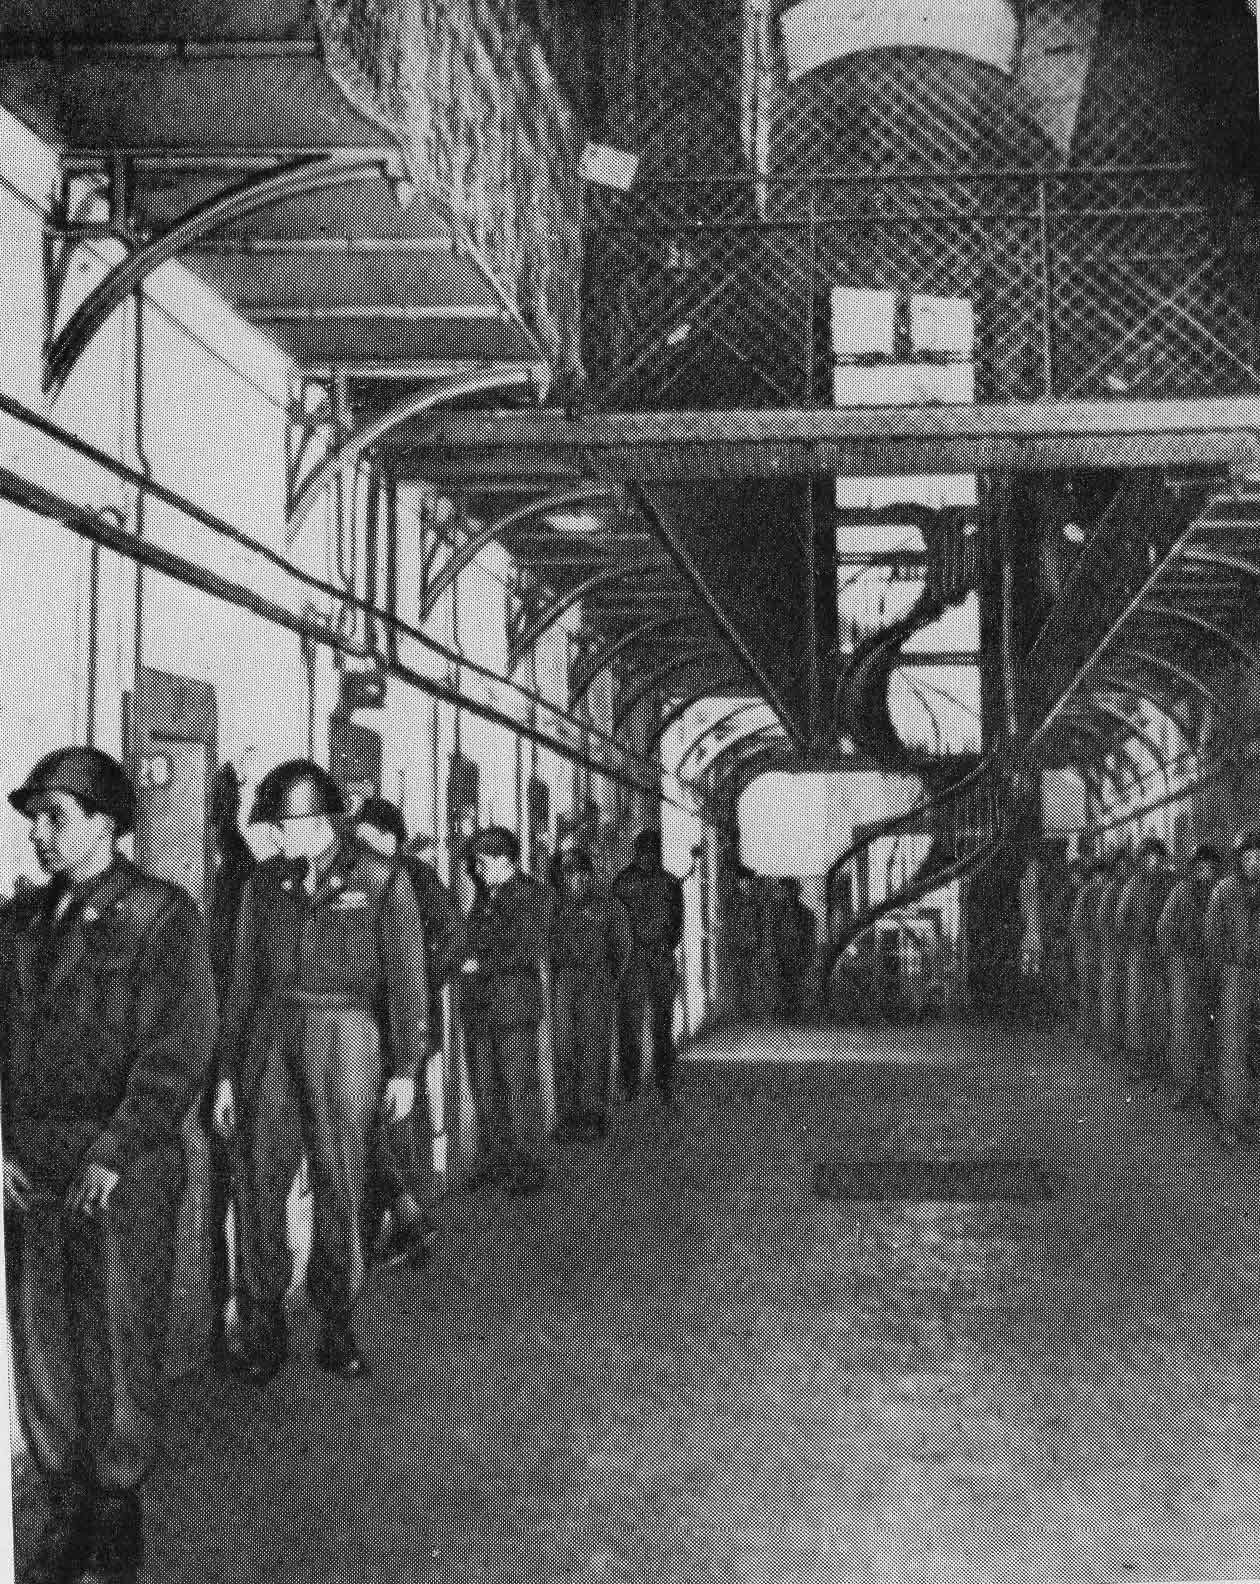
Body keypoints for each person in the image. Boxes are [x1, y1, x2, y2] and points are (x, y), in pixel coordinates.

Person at [1, 747, 216, 1584]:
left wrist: (116, 1150)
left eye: (55, 817)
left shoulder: (161, 915)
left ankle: (116, 1518)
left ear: (104, 823)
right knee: (43, 1344)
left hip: (123, 1165)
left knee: (118, 1344)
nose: (39, 835)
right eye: (34, 820)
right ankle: (66, 1512)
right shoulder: (21, 922)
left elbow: (178, 1047)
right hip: (33, 1165)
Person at [212, 760, 430, 1384]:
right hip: (268, 1041)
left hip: (346, 1035)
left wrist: (405, 1066)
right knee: (259, 1186)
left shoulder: (380, 878)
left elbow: (406, 975)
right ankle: (263, 1333)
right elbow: (243, 980)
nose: (283, 838)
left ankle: (337, 1327)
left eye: (292, 825)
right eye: (277, 827)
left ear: (324, 820)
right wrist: (228, 1073)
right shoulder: (262, 886)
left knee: (340, 1187)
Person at [354, 796, 459, 1267]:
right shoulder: (358, 877)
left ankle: (412, 1217)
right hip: (363, 1026)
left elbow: (451, 935)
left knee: (399, 1127)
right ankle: (391, 1222)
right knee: (373, 1129)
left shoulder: (414, 876)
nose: (359, 843)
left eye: (368, 835)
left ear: (388, 838)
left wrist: (422, 978)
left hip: (405, 1028)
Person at [460, 826, 555, 1193]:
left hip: (513, 1006)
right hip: (482, 1006)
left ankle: (530, 1165)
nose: (477, 871)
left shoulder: (532, 894)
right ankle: (496, 1159)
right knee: (486, 1088)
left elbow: (528, 947)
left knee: (519, 1088)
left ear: (504, 861)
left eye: (482, 863)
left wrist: (480, 963)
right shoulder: (486, 895)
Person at [551, 845, 633, 1139]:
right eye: (571, 874)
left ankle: (594, 1114)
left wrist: (609, 979)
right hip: (565, 981)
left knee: (594, 1049)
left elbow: (623, 946)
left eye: (583, 873)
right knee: (565, 1048)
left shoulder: (608, 906)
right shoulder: (555, 907)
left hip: (597, 981)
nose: (578, 879)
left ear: (590, 875)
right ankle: (569, 1115)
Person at [613, 829, 684, 1105]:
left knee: (660, 1022)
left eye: (652, 853)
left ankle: (659, 1081)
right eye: (645, 853)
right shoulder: (630, 882)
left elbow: (676, 926)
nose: (648, 858)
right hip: (637, 959)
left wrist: (663, 946)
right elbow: (616, 923)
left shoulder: (664, 883)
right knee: (632, 1023)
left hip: (655, 957)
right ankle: (633, 1083)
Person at [1158, 842, 1223, 1109]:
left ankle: (1206, 1085)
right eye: (1202, 866)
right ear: (1195, 867)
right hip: (1185, 965)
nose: (1206, 871)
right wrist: (1175, 963)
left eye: (1211, 867)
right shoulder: (1182, 891)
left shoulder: (1219, 892)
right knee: (1184, 1026)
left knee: (1210, 1026)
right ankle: (1183, 1086)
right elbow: (1164, 929)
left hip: (1211, 965)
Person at [1204, 830, 1260, 1142]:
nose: (1255, 862)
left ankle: (1249, 1110)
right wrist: (1220, 975)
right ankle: (1230, 1120)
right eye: (1249, 857)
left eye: (1259, 857)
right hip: (1233, 975)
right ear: (1240, 859)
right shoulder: (1225, 890)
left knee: (1252, 1047)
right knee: (1232, 1047)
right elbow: (1212, 936)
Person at [1115, 836, 1175, 1083]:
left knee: (1161, 1007)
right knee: (1137, 1007)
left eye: (1157, 858)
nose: (1154, 862)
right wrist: (1133, 940)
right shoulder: (1134, 885)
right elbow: (1121, 919)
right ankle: (1139, 1061)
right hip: (1139, 952)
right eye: (1149, 858)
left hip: (1162, 953)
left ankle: (1159, 1061)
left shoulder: (1170, 883)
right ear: (1142, 860)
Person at [1096, 844, 1135, 1060]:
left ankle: (1123, 1043)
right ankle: (1110, 1042)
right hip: (1112, 950)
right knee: (1111, 996)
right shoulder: (1111, 888)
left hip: (1126, 949)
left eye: (1127, 865)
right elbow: (1103, 920)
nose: (1124, 869)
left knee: (1127, 998)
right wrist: (1112, 943)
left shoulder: (1131, 886)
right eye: (1121, 866)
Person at [1069, 855, 1110, 1036]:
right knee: (1086, 986)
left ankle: (1098, 1027)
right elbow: (1076, 920)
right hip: (1086, 945)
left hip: (1102, 946)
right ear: (1093, 875)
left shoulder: (1108, 891)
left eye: (1103, 875)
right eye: (1097, 875)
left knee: (1100, 987)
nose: (1100, 878)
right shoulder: (1087, 891)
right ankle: (1085, 1026)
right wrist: (1082, 941)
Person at [771, 878, 817, 1022]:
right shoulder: (777, 913)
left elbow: (810, 939)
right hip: (781, 957)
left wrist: (807, 957)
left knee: (795, 985)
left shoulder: (806, 914)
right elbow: (773, 936)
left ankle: (794, 1015)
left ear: (794, 892)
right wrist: (775, 954)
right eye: (782, 890)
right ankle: (787, 1014)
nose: (782, 893)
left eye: (785, 890)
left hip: (798, 957)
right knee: (784, 985)